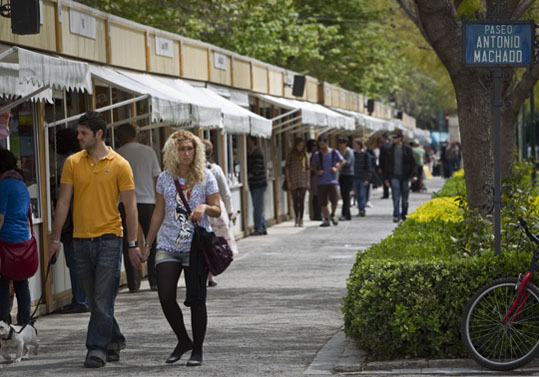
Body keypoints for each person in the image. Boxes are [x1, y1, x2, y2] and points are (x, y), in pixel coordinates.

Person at [48, 111, 142, 368]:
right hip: (79, 240)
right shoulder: (72, 163)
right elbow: (64, 201)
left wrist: (132, 244)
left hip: (110, 238)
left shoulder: (120, 164)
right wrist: (55, 239)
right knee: (95, 299)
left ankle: (96, 348)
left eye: (83, 133)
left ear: (98, 134)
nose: (78, 137)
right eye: (78, 132)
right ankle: (114, 339)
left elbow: (131, 207)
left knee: (101, 298)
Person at [141, 130, 220, 366]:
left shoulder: (206, 176)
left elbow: (218, 208)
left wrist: (204, 207)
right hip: (167, 243)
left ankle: (197, 350)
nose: (186, 153)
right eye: (181, 149)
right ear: (172, 153)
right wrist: (148, 243)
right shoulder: (165, 178)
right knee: (165, 295)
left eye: (189, 148)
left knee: (197, 299)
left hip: (195, 245)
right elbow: (158, 212)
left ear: (196, 151)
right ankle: (183, 340)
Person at [116, 123, 161, 292]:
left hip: (126, 203)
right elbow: (157, 176)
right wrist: (159, 200)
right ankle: (154, 281)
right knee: (152, 242)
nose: (118, 139)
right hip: (148, 201)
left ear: (123, 135)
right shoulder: (148, 151)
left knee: (129, 242)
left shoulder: (118, 153)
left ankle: (133, 284)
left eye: (119, 136)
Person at [55, 128, 88, 313]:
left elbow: (64, 195)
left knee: (74, 262)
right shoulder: (82, 158)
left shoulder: (68, 161)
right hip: (83, 217)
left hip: (72, 218)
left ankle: (80, 300)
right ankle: (83, 299)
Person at [0, 149, 31, 326]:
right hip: (22, 240)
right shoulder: (21, 184)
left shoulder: (4, 186)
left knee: (3, 282)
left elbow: (1, 216)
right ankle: (25, 323)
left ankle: (3, 323)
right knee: (21, 283)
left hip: (6, 240)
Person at [202, 139, 239, 287]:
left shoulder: (193, 170)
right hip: (216, 211)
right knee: (214, 243)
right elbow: (226, 192)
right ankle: (210, 276)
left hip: (200, 210)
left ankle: (204, 274)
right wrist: (230, 211)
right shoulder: (215, 169)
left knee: (202, 243)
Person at [381, 130, 418, 223]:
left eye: (395, 138)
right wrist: (386, 178)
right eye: (392, 138)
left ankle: (404, 214)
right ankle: (396, 215)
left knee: (405, 198)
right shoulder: (389, 150)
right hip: (394, 176)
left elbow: (413, 163)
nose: (393, 139)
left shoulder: (407, 149)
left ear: (400, 138)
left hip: (405, 176)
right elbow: (387, 165)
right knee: (395, 196)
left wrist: (414, 175)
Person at [311, 135, 344, 227]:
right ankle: (326, 218)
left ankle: (332, 214)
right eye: (320, 144)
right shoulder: (317, 155)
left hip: (332, 181)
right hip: (321, 181)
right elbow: (313, 165)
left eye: (323, 144)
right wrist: (317, 171)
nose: (321, 146)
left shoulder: (334, 152)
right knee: (323, 202)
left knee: (335, 200)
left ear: (326, 143)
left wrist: (336, 167)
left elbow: (342, 161)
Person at [284, 138, 310, 227]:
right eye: (299, 145)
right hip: (293, 179)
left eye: (302, 145)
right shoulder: (290, 155)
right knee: (295, 200)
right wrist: (288, 181)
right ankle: (296, 216)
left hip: (302, 179)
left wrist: (308, 181)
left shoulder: (305, 155)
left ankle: (301, 219)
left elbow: (307, 168)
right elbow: (287, 168)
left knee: (301, 200)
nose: (301, 147)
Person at [247, 135, 267, 235]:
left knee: (257, 208)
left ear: (253, 141)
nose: (247, 142)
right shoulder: (250, 153)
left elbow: (257, 169)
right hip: (255, 184)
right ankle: (262, 227)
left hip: (258, 184)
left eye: (248, 140)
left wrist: (249, 175)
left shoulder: (257, 154)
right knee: (258, 207)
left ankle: (258, 228)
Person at [352, 139, 372, 217]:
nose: (354, 146)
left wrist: (367, 179)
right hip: (355, 177)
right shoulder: (354, 154)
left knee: (362, 194)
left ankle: (362, 210)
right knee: (357, 195)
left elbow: (369, 168)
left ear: (359, 145)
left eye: (355, 144)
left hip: (363, 178)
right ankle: (360, 209)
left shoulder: (366, 155)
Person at [336, 137, 354, 221]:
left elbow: (349, 163)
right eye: (339, 143)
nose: (339, 145)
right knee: (344, 195)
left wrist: (339, 164)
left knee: (346, 195)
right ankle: (348, 214)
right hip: (342, 175)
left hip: (348, 175)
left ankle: (344, 214)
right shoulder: (341, 152)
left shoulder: (349, 151)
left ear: (345, 143)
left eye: (341, 143)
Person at [307, 139, 322, 221]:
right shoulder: (309, 155)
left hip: (317, 177)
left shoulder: (318, 154)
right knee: (314, 196)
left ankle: (318, 214)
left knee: (318, 196)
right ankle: (315, 214)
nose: (315, 147)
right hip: (312, 178)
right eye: (313, 146)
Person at [377, 133, 392, 199]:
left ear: (384, 138)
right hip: (391, 166)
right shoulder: (392, 145)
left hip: (385, 166)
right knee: (391, 179)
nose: (380, 139)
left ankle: (386, 194)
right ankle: (393, 192)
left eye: (381, 138)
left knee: (385, 179)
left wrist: (380, 167)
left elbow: (381, 158)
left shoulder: (383, 146)